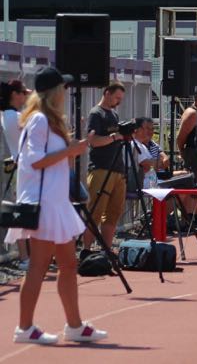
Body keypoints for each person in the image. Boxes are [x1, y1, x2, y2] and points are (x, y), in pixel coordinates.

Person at [7, 67, 106, 344]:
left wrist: (71, 151)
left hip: (55, 202)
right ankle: (24, 327)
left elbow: (47, 161)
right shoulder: (39, 120)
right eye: (62, 87)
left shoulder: (47, 121)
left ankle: (74, 325)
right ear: (53, 92)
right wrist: (71, 150)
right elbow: (33, 161)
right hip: (46, 204)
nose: (66, 91)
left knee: (69, 264)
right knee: (39, 266)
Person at [82, 82, 126, 252]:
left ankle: (106, 250)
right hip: (101, 168)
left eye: (121, 99)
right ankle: (86, 249)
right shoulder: (96, 113)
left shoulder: (114, 114)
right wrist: (114, 137)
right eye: (116, 97)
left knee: (113, 213)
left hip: (117, 169)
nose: (119, 101)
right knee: (95, 212)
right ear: (107, 93)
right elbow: (93, 141)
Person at [1, 80, 31, 269]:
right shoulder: (14, 116)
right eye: (22, 93)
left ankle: (26, 256)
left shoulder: (9, 114)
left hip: (21, 167)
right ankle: (24, 257)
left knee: (24, 212)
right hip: (24, 168)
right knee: (22, 213)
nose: (25, 96)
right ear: (14, 94)